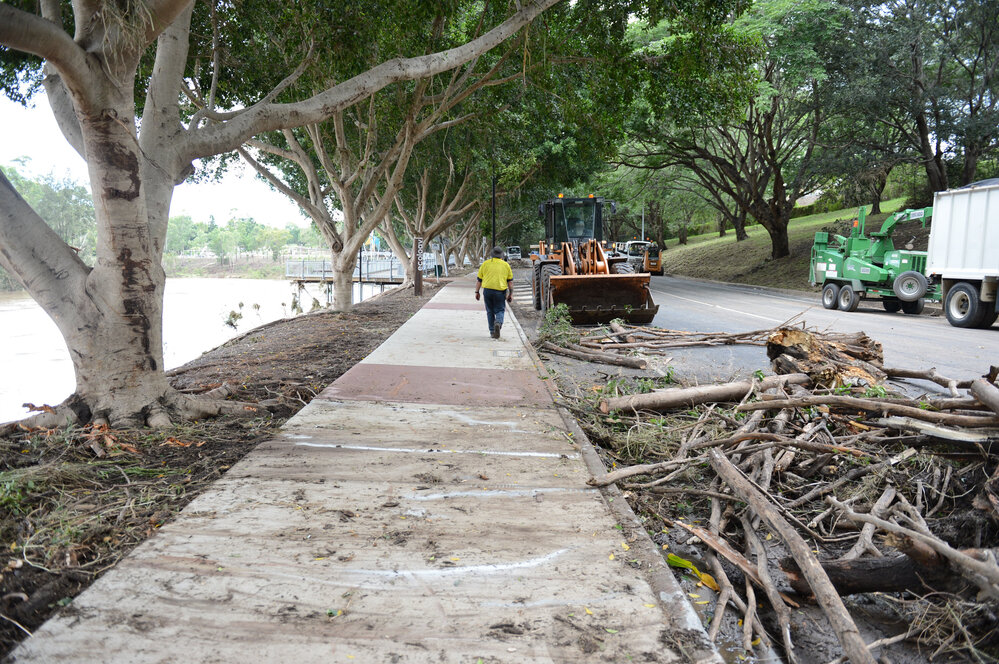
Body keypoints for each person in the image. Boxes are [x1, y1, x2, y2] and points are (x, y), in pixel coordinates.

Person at [475, 246, 514, 339]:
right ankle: (498, 322)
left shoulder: (485, 264)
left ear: (492, 255)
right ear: (501, 256)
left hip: (487, 291)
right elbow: (510, 282)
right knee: (500, 310)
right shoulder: (506, 265)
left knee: (490, 311)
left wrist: (477, 292)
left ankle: (492, 332)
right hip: (500, 292)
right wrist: (510, 294)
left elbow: (479, 280)